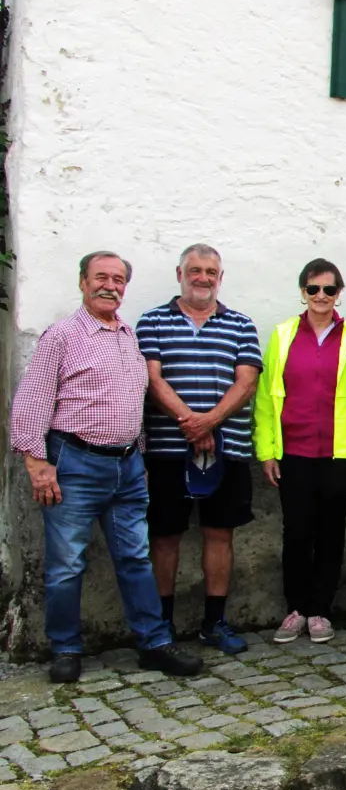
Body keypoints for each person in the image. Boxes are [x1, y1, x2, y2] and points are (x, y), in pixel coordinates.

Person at [10, 252, 203, 683]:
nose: (109, 286)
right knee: (67, 565)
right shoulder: (61, 336)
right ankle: (65, 648)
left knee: (135, 558)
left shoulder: (127, 337)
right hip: (74, 465)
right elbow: (32, 402)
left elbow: (132, 404)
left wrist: (139, 455)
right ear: (82, 282)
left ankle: (153, 642)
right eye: (101, 277)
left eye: (118, 280)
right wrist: (36, 463)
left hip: (128, 467)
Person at [138, 244, 263, 654]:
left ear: (220, 278)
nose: (203, 278)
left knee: (219, 534)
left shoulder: (241, 324)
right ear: (180, 273)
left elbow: (246, 382)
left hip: (226, 449)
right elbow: (152, 380)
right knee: (165, 536)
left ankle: (214, 623)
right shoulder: (152, 321)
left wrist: (208, 422)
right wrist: (189, 423)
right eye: (195, 270)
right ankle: (161, 627)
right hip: (168, 451)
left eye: (211, 271)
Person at [255, 259, 346, 646]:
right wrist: (267, 450)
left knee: (331, 532)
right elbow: (267, 397)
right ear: (303, 291)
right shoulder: (283, 333)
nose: (321, 296)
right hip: (294, 451)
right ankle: (297, 608)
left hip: (339, 452)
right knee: (297, 532)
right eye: (313, 289)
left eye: (329, 289)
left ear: (340, 292)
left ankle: (321, 610)